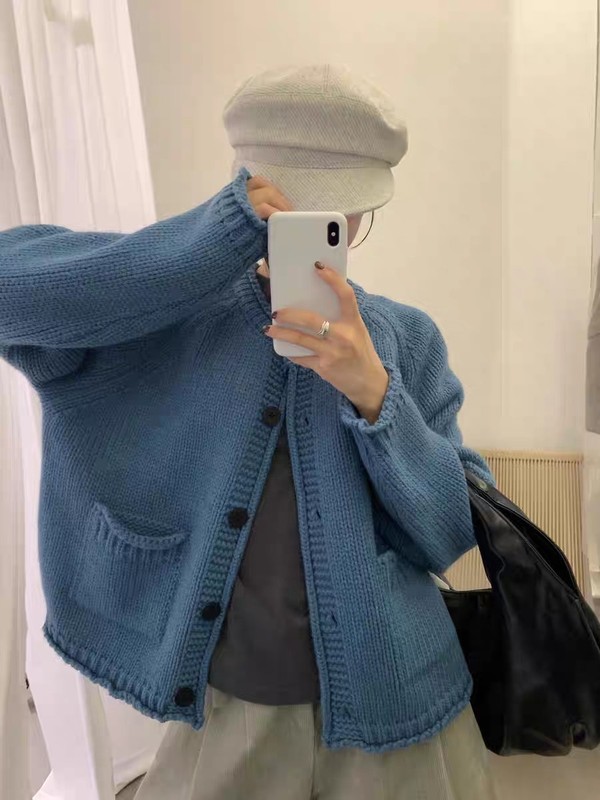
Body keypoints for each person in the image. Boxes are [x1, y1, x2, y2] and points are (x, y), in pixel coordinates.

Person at [0, 64, 498, 799]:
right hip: (227, 712)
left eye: (333, 214)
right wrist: (209, 239)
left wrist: (374, 393)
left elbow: (451, 531)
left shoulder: (405, 339)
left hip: (402, 711)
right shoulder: (162, 316)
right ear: (246, 195)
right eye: (287, 209)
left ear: (358, 217)